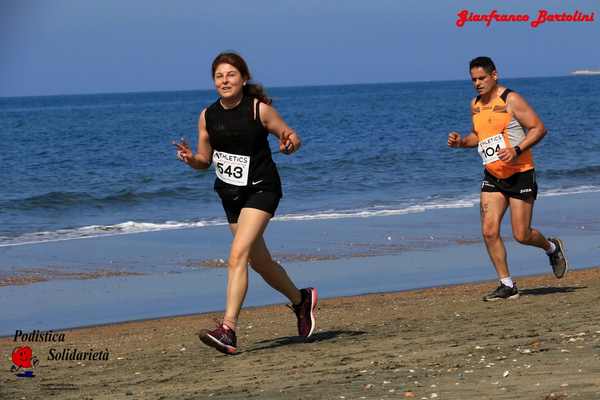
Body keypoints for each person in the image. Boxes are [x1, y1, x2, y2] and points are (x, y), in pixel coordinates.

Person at [174, 52, 317, 354]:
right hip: (230, 195)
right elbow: (204, 160)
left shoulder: (259, 110)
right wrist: (191, 160)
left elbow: (291, 136)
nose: (225, 81)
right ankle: (301, 300)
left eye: (230, 75)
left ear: (244, 78)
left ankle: (228, 329)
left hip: (262, 189)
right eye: (219, 76)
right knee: (259, 262)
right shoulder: (207, 116)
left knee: (237, 254)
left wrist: (290, 144)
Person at [447, 56, 568, 301]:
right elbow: (479, 137)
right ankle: (507, 284)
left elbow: (538, 128)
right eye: (473, 80)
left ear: (494, 75)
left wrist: (517, 149)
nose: (477, 83)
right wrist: (461, 142)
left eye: (482, 78)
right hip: (493, 175)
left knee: (521, 235)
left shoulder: (511, 99)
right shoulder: (476, 104)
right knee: (489, 231)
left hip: (520, 174)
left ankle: (552, 247)